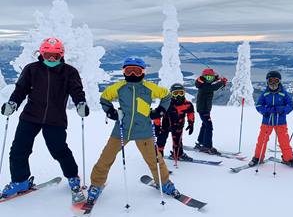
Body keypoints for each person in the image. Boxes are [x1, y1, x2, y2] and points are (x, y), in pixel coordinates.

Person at [0, 37, 89, 203]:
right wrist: (13, 103)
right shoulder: (31, 69)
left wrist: (80, 104)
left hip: (55, 119)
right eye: (48, 54)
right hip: (30, 116)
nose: (51, 59)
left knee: (59, 150)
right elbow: (20, 90)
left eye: (55, 55)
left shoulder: (69, 72)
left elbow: (77, 91)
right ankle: (20, 181)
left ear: (62, 55)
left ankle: (72, 177)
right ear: (41, 53)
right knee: (19, 149)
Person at [85, 57, 176, 205]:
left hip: (144, 130)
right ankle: (96, 185)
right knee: (105, 158)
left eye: (136, 71)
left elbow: (167, 95)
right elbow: (104, 98)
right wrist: (110, 112)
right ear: (124, 72)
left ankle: (164, 183)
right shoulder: (119, 87)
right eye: (129, 70)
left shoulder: (149, 88)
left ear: (143, 72)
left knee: (155, 160)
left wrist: (160, 111)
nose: (133, 74)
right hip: (122, 129)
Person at [249, 70, 293, 169]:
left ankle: (288, 158)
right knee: (262, 140)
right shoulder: (265, 94)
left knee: (284, 141)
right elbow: (259, 105)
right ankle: (258, 157)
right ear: (267, 82)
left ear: (279, 81)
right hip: (267, 121)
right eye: (271, 81)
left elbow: (290, 105)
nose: (273, 83)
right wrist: (266, 111)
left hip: (280, 121)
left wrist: (282, 110)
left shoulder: (283, 93)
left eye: (276, 81)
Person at [154, 83, 195, 161]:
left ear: (184, 93)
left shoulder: (188, 104)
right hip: (166, 125)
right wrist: (157, 126)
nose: (178, 96)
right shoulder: (167, 103)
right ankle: (158, 156)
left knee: (177, 141)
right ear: (171, 94)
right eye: (175, 93)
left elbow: (191, 113)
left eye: (181, 93)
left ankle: (178, 154)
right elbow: (157, 114)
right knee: (161, 141)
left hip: (178, 126)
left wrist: (191, 123)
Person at [194, 68, 227, 154]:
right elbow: (213, 87)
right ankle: (207, 146)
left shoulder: (204, 82)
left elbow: (213, 81)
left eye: (211, 78)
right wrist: (222, 82)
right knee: (209, 126)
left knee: (205, 125)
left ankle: (200, 142)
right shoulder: (203, 86)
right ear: (203, 77)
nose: (209, 79)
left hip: (205, 109)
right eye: (207, 78)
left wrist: (218, 78)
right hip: (203, 109)